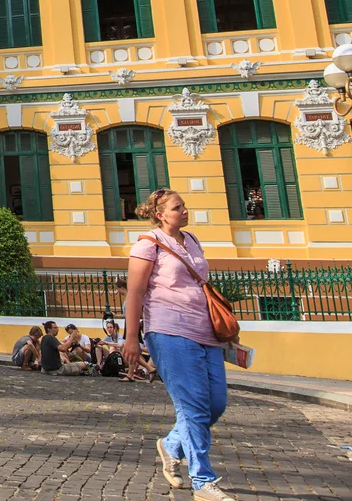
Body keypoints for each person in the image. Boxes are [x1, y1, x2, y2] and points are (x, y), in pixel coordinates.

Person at [125, 188, 236, 501]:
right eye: (177, 208)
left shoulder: (193, 241)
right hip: (168, 330)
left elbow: (202, 286)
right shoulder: (147, 245)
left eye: (184, 206)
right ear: (160, 215)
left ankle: (172, 445)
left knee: (215, 404)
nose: (184, 211)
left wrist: (226, 328)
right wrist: (132, 337)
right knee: (194, 406)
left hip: (205, 331)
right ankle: (203, 481)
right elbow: (134, 294)